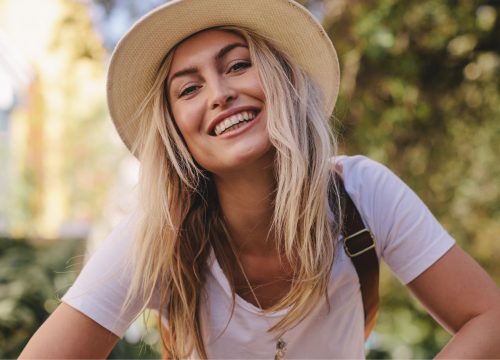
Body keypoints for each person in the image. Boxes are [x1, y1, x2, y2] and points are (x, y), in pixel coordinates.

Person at [20, 0, 500, 358]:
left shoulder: (361, 193)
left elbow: (489, 318)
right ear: (175, 134)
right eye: (189, 88)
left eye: (238, 65)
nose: (221, 93)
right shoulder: (155, 237)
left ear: (280, 83)